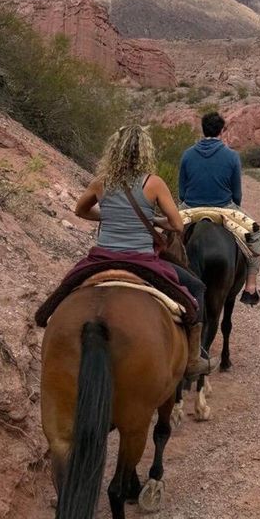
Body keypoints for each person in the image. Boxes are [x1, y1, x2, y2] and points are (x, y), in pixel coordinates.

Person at [73, 124, 217, 377]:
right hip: (142, 260)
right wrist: (155, 221)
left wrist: (108, 216)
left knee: (66, 288)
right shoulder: (154, 184)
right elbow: (177, 225)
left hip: (102, 257)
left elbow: (81, 211)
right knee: (196, 289)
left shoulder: (100, 183)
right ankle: (193, 361)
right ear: (144, 153)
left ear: (114, 151)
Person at [179, 111, 260, 305]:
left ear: (203, 130)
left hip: (190, 208)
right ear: (221, 131)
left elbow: (182, 192)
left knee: (164, 235)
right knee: (256, 236)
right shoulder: (232, 156)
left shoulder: (187, 155)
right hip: (224, 209)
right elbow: (237, 194)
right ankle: (250, 287)